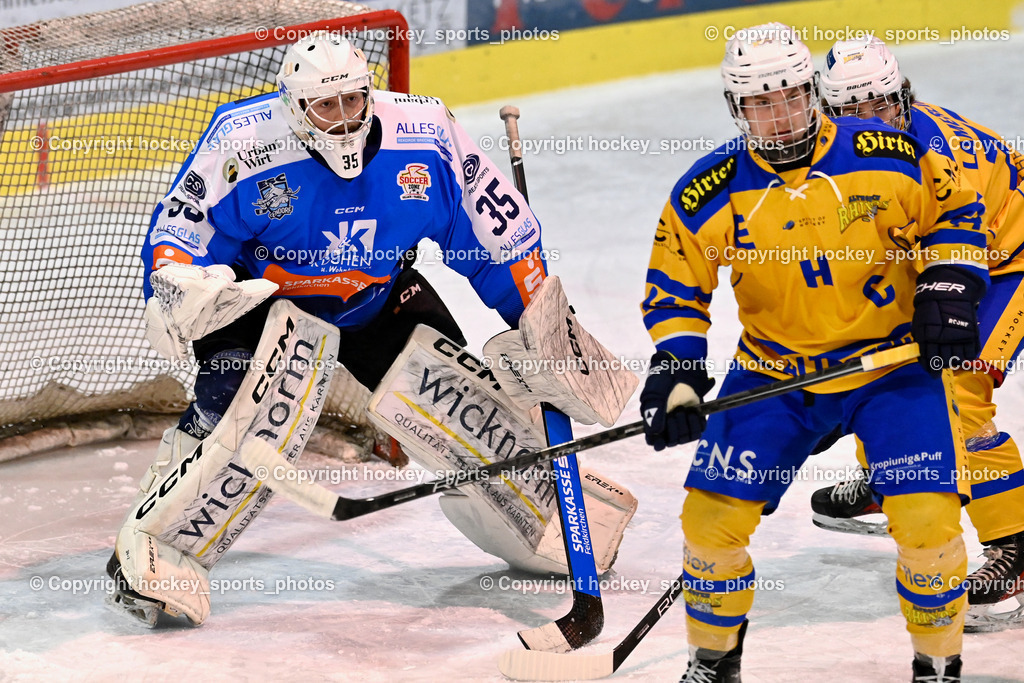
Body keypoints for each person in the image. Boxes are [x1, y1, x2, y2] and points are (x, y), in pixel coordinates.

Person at [104, 32, 631, 627]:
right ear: (294, 106)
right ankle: (158, 548)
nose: (342, 119)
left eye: (353, 101)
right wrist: (179, 284)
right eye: (324, 106)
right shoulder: (243, 142)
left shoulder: (425, 134)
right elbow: (181, 230)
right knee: (245, 411)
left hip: (377, 300)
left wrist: (538, 319)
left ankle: (543, 524)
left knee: (461, 409)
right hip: (266, 306)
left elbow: (493, 233)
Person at [640, 22, 987, 682]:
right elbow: (676, 285)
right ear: (736, 108)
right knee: (709, 522)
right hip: (775, 374)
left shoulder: (889, 152)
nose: (779, 116)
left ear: (814, 93)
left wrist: (948, 283)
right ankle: (714, 663)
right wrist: (678, 367)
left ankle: (937, 667)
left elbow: (959, 211)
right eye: (760, 103)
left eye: (792, 97)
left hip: (891, 367)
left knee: (928, 523)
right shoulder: (708, 189)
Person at [809, 36, 1024, 629]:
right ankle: (890, 475)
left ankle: (1016, 548)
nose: (872, 122)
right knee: (878, 355)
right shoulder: (826, 163)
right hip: (941, 259)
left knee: (958, 392)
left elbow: (963, 245)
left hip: (1007, 261)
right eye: (853, 113)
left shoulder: (931, 155)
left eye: (882, 105)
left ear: (902, 96)